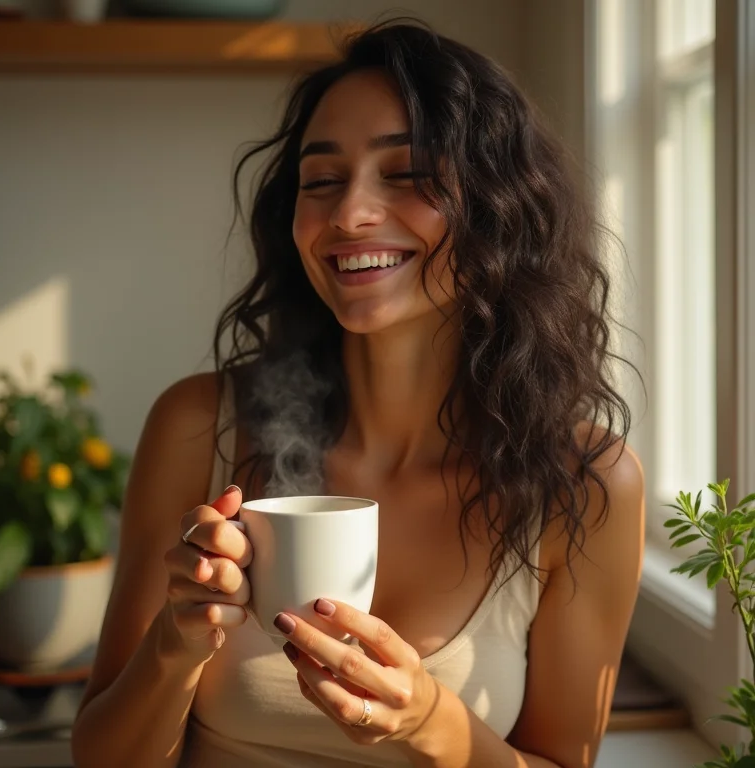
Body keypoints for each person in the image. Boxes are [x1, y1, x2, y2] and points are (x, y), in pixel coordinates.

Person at [70, 18, 644, 768]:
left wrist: (431, 722)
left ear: (500, 209)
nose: (348, 214)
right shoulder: (200, 426)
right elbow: (102, 759)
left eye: (406, 175)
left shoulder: (586, 483)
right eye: (322, 181)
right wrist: (175, 646)